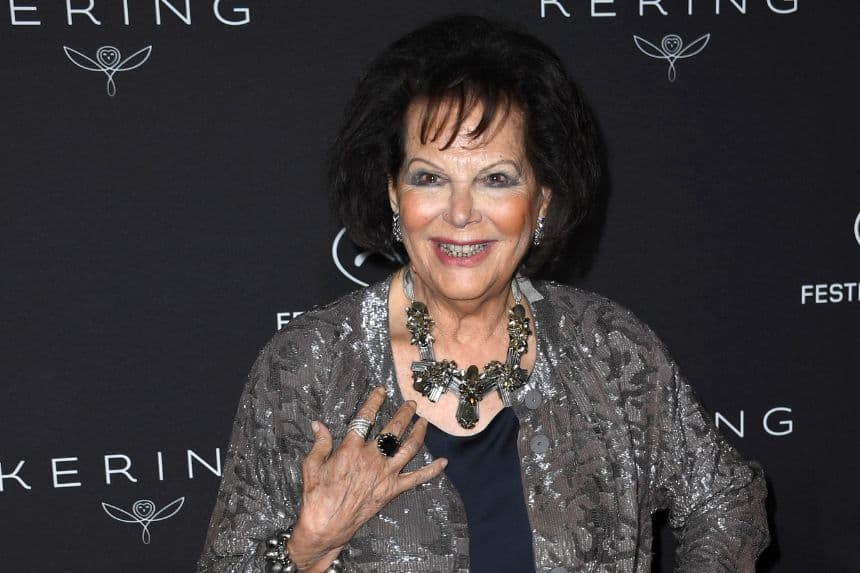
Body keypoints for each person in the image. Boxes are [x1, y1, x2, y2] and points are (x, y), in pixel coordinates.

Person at [197, 14, 769, 573]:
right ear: (393, 194)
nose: (460, 213)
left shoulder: (609, 349)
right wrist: (305, 550)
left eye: (496, 179)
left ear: (542, 199)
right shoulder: (311, 366)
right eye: (429, 177)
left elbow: (724, 501)